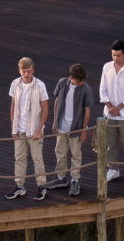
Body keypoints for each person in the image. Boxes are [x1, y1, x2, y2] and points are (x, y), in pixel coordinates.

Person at [99, 39, 124, 188]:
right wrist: (110, 107)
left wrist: (119, 108)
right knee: (110, 144)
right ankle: (113, 169)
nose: (115, 59)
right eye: (113, 55)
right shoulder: (106, 67)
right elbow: (102, 89)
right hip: (109, 113)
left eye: (118, 55)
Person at [49, 62, 93, 195]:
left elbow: (87, 110)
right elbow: (57, 101)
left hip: (76, 128)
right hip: (62, 126)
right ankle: (61, 178)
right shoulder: (62, 83)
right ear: (71, 77)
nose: (80, 83)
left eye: (82, 81)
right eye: (78, 80)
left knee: (76, 154)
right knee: (59, 152)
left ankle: (75, 180)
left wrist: (84, 129)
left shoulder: (86, 89)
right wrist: (55, 121)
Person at [8, 57, 49, 199]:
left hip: (34, 130)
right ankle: (19, 186)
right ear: (19, 71)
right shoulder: (15, 84)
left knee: (37, 158)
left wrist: (38, 130)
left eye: (29, 71)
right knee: (19, 158)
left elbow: (45, 109)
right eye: (24, 71)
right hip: (20, 129)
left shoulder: (40, 85)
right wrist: (14, 128)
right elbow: (13, 106)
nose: (26, 74)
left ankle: (41, 186)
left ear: (33, 70)